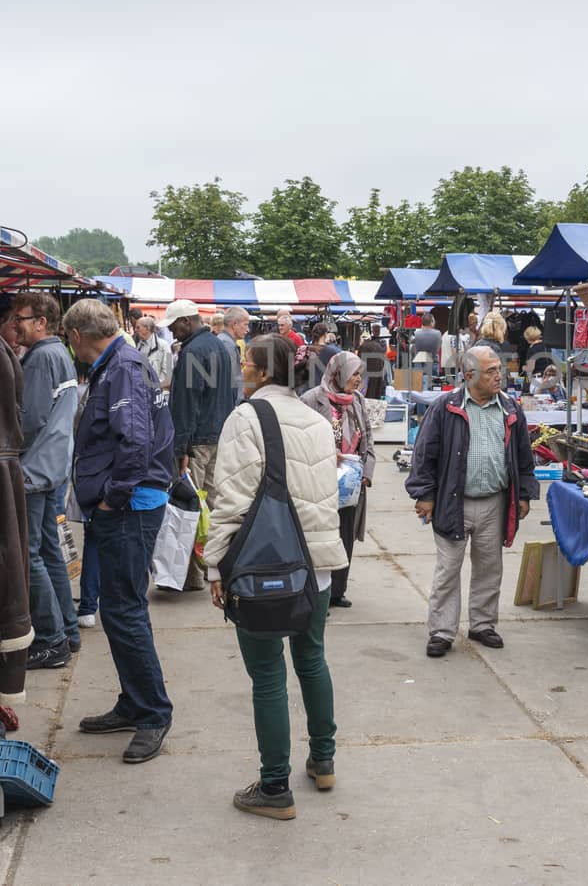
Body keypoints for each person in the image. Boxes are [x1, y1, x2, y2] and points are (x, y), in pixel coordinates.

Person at [205, 334, 347, 819]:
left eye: (246, 361)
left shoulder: (245, 418)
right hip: (318, 567)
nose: (241, 366)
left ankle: (273, 788)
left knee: (267, 676)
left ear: (263, 372)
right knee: (312, 660)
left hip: (264, 569)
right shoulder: (317, 417)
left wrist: (215, 564)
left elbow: (231, 499)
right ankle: (323, 761)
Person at [64, 298, 176, 764]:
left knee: (125, 610)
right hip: (128, 502)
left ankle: (152, 712)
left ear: (77, 336)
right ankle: (135, 702)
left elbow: (135, 439)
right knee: (119, 609)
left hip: (129, 506)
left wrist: (115, 495)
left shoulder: (123, 367)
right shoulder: (121, 363)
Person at [405, 346, 539, 657]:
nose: (498, 375)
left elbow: (523, 457)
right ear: (469, 375)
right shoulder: (445, 407)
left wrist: (523, 493)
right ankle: (441, 631)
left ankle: (482, 624)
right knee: (448, 568)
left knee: (489, 567)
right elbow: (425, 455)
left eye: (498, 369)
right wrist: (425, 495)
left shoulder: (510, 408)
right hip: (453, 501)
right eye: (491, 370)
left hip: (494, 502)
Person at [11, 292, 82, 670]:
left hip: (35, 471)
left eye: (20, 317)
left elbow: (30, 420)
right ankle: (66, 633)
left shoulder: (40, 359)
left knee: (30, 554)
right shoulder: (60, 355)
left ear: (41, 322)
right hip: (53, 468)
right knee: (49, 551)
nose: (15, 324)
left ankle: (52, 639)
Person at [166, 299, 238, 588]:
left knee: (189, 508)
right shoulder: (219, 346)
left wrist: (180, 449)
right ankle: (213, 568)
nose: (172, 333)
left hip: (197, 442)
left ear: (186, 322)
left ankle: (191, 575)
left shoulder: (193, 351)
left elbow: (186, 405)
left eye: (173, 327)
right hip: (218, 435)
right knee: (213, 508)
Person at [302, 352, 375, 608]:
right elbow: (301, 439)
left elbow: (368, 438)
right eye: (354, 373)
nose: (358, 379)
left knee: (345, 535)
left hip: (351, 484)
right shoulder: (311, 399)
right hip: (320, 482)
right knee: (321, 536)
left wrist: (367, 472)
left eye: (359, 374)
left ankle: (337, 592)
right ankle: (317, 592)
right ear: (338, 373)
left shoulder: (357, 401)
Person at [135, 315, 173, 391]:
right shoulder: (138, 345)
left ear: (147, 328)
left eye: (138, 327)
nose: (135, 330)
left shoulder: (164, 346)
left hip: (158, 392)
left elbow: (168, 372)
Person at [300, 321, 339, 391]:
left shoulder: (306, 349)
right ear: (325, 334)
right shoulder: (332, 351)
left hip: (306, 389)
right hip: (323, 389)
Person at [220, 307, 250, 399]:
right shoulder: (227, 344)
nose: (248, 329)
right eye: (245, 325)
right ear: (234, 324)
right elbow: (233, 380)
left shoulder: (225, 341)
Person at [411, 314, 443, 389]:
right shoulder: (437, 333)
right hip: (433, 363)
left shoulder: (416, 333)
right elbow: (438, 347)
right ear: (431, 322)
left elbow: (412, 348)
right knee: (433, 387)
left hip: (418, 363)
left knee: (418, 387)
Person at [357, 326, 388, 400]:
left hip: (366, 374)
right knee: (375, 393)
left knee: (366, 394)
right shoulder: (378, 345)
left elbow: (359, 361)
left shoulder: (364, 347)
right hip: (377, 373)